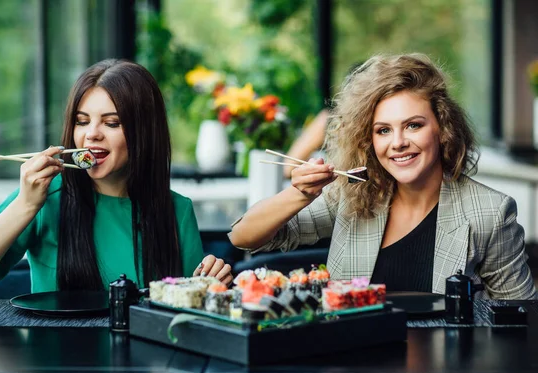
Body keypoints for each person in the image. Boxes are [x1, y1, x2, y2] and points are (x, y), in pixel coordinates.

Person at [230, 53, 537, 300]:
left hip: (443, 370)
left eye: (414, 125)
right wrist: (300, 194)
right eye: (383, 130)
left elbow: (522, 318)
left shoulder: (490, 212)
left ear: (443, 130)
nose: (398, 142)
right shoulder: (351, 196)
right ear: (369, 140)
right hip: (353, 363)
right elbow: (243, 237)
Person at [0, 59, 232, 301]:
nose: (91, 133)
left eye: (111, 123)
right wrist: (24, 206)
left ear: (145, 132)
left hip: (144, 367)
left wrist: (213, 281)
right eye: (82, 121)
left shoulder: (176, 210)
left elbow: (190, 310)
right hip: (59, 363)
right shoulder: (45, 195)